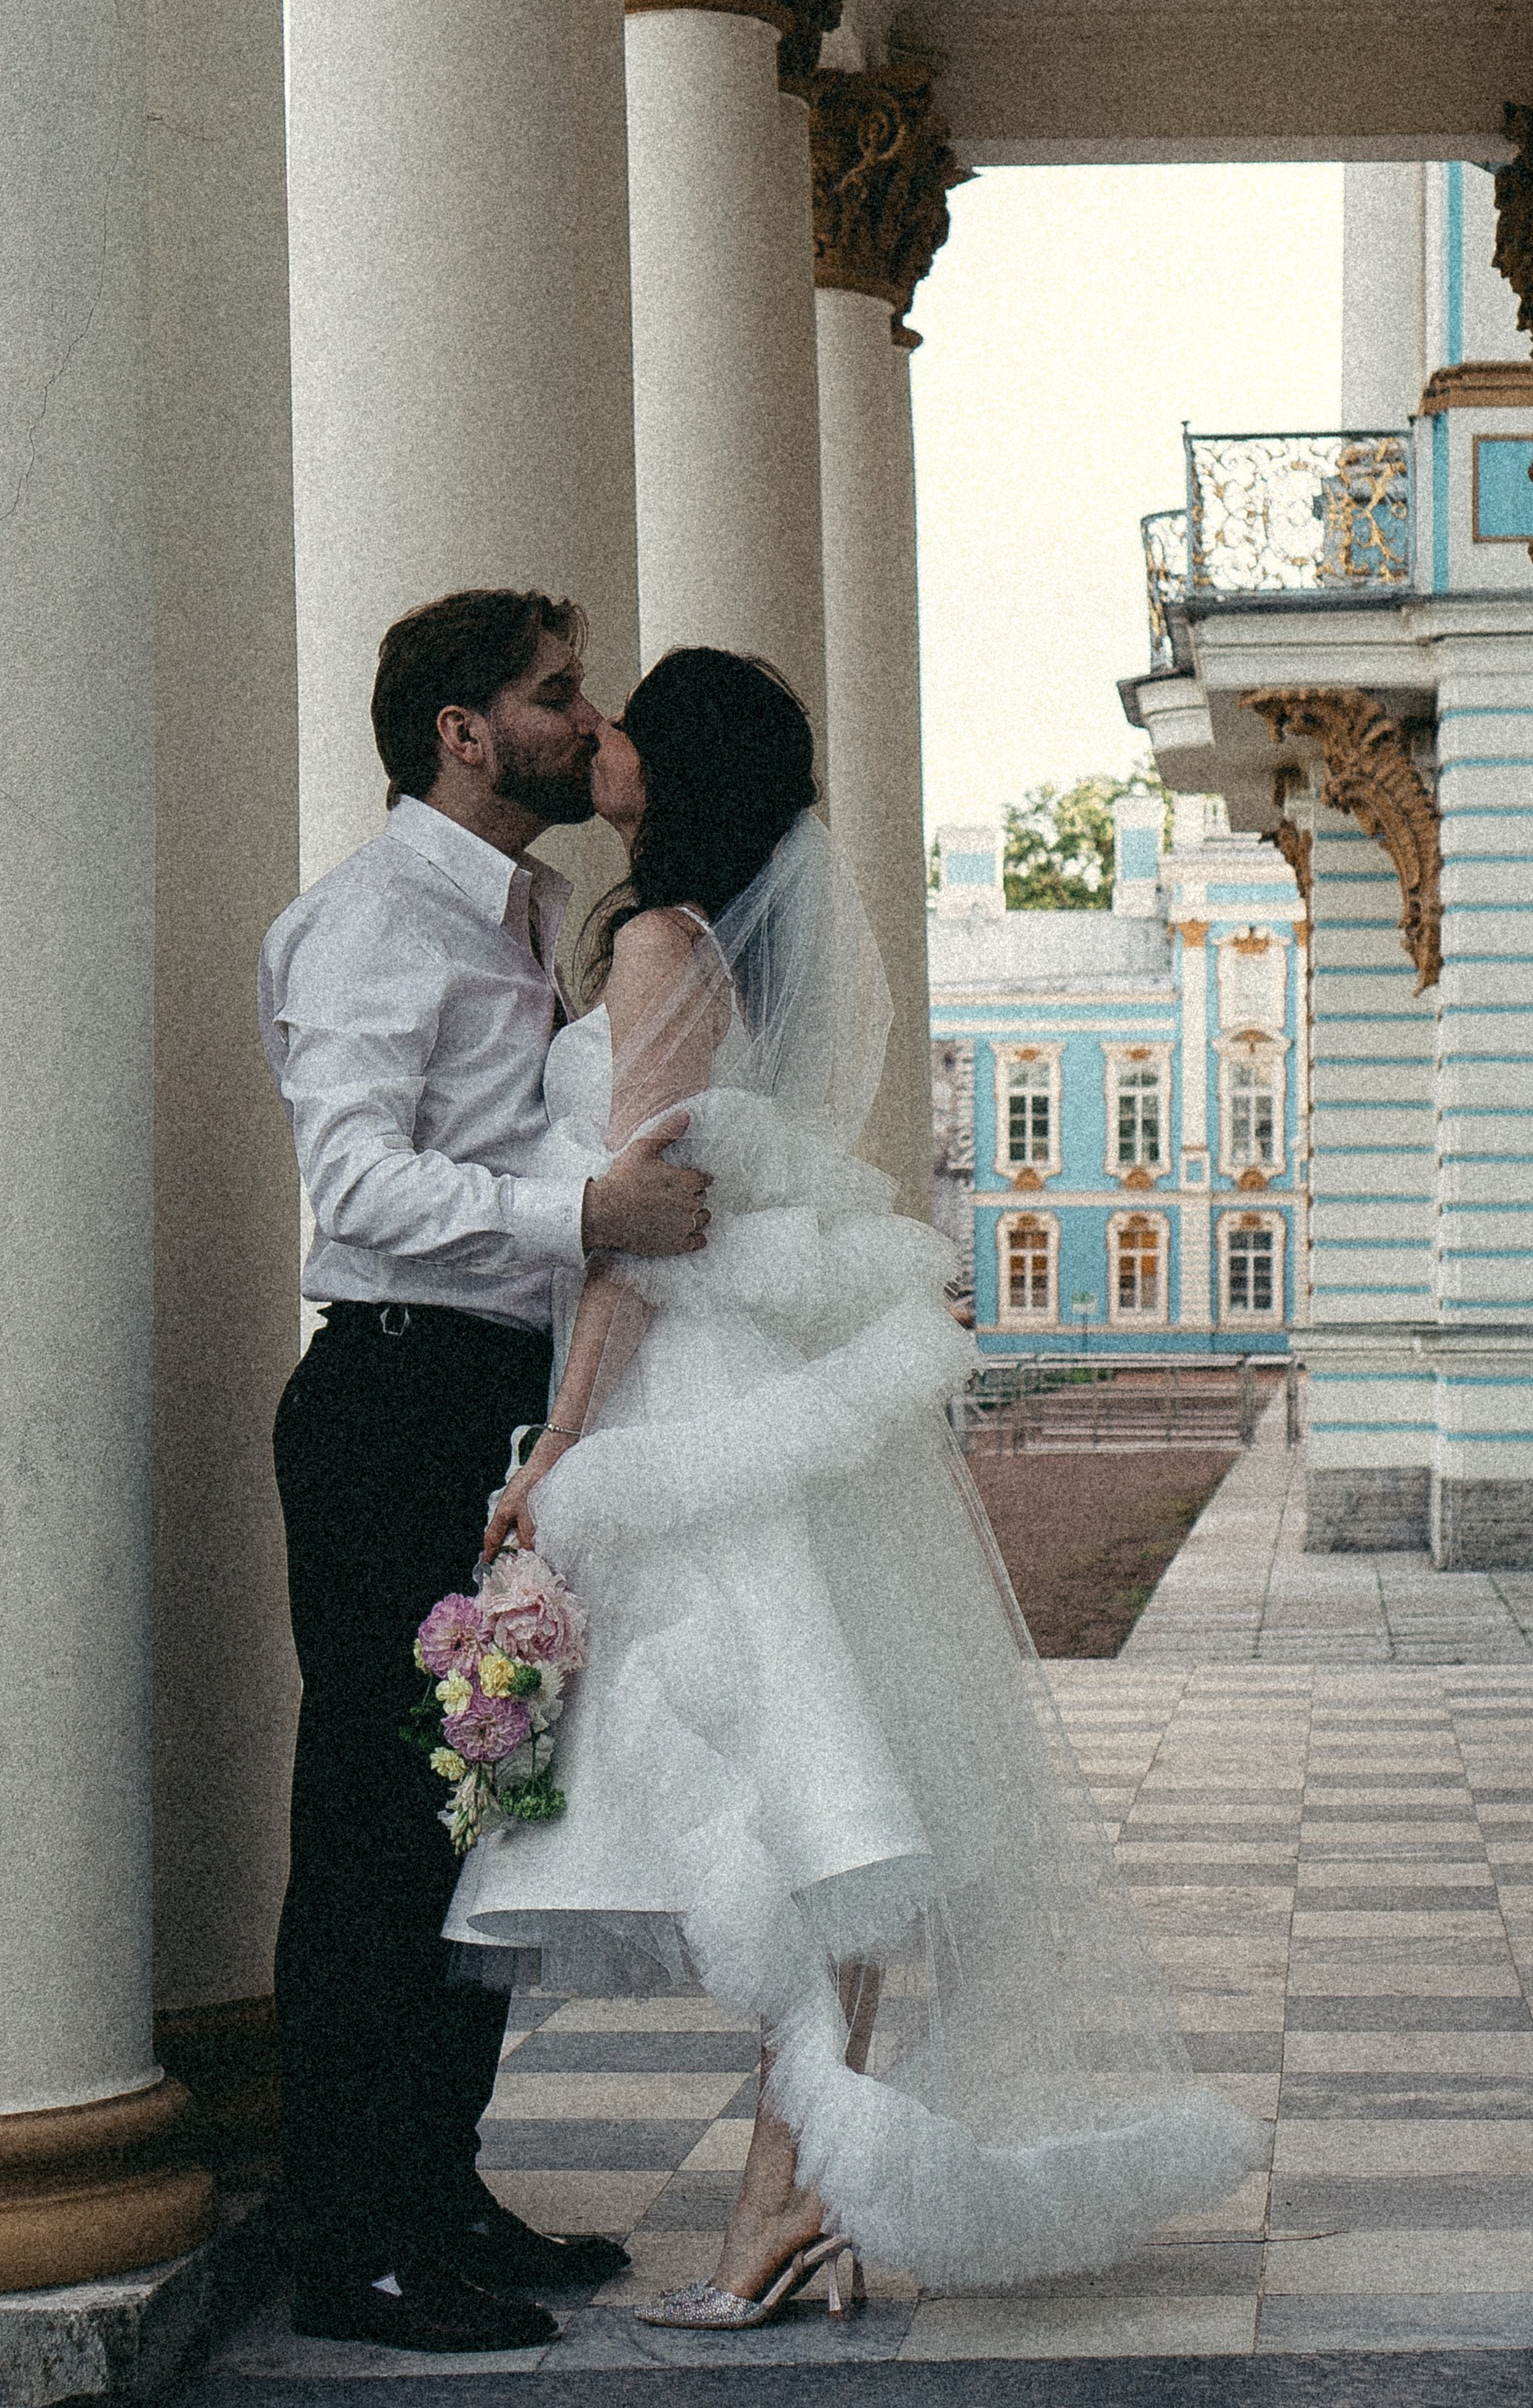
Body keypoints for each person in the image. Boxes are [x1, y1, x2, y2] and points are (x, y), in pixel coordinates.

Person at [446, 647, 1259, 2323]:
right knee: (828, 1788)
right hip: (766, 1386)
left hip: (691, 1392)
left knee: (805, 1788)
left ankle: (788, 2191)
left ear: (672, 772)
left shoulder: (662, 944)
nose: (595, 738)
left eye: (623, 726)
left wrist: (563, 1448)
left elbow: (641, 1218)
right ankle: (801, 2186)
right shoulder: (719, 942)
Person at [257, 589, 714, 2354]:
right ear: (458, 730)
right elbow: (354, 1188)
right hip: (386, 1405)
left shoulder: (513, 910)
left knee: (470, 1817)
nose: (579, 718)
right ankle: (349, 2244)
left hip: (483, 1409)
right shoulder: (372, 921)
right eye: (551, 694)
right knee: (375, 1834)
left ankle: (433, 2191)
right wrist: (577, 1210)